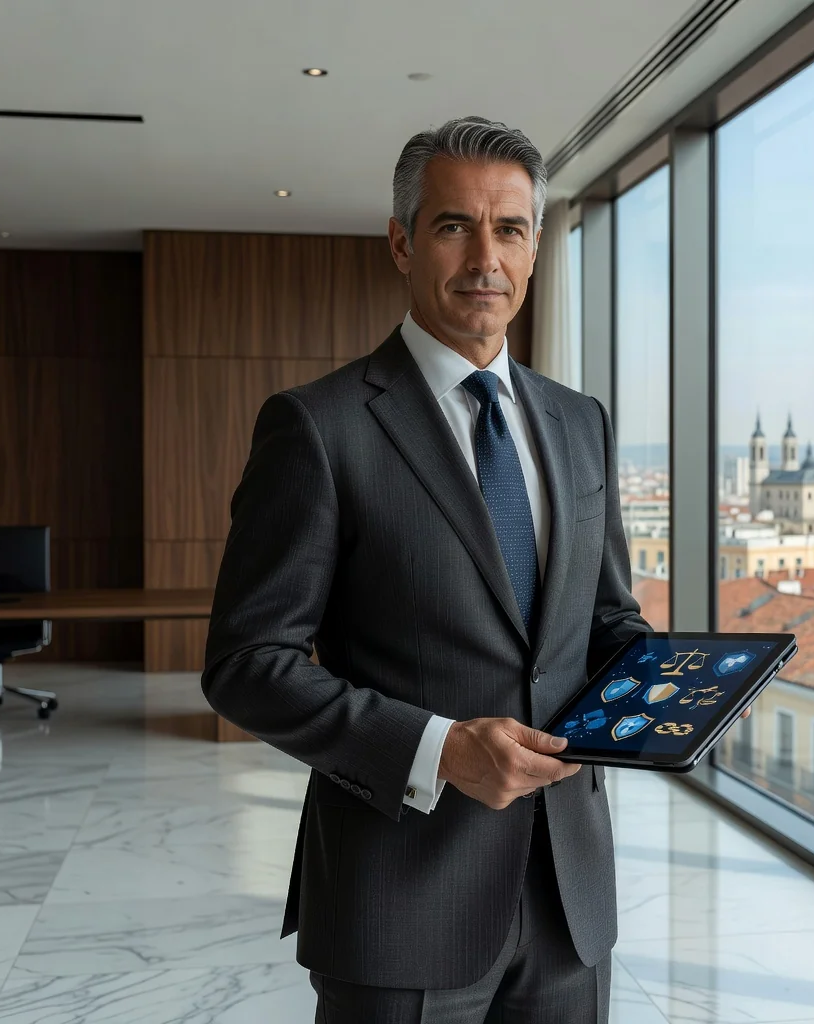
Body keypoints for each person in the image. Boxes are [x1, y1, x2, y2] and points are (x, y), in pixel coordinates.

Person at [202, 115, 651, 1024]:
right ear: (403, 243)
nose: (486, 256)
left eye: (511, 229)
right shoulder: (319, 428)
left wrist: (675, 684)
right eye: (455, 226)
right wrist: (438, 749)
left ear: (533, 251)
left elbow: (606, 623)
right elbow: (248, 664)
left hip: (571, 901)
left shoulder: (581, 422)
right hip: (399, 900)